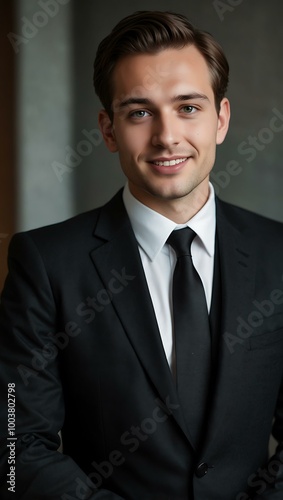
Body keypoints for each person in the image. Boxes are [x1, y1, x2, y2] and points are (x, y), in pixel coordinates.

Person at [0, 10, 283, 500]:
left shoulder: (277, 254)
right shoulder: (44, 264)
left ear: (221, 119)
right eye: (139, 112)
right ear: (108, 130)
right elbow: (13, 448)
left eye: (188, 107)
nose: (166, 136)